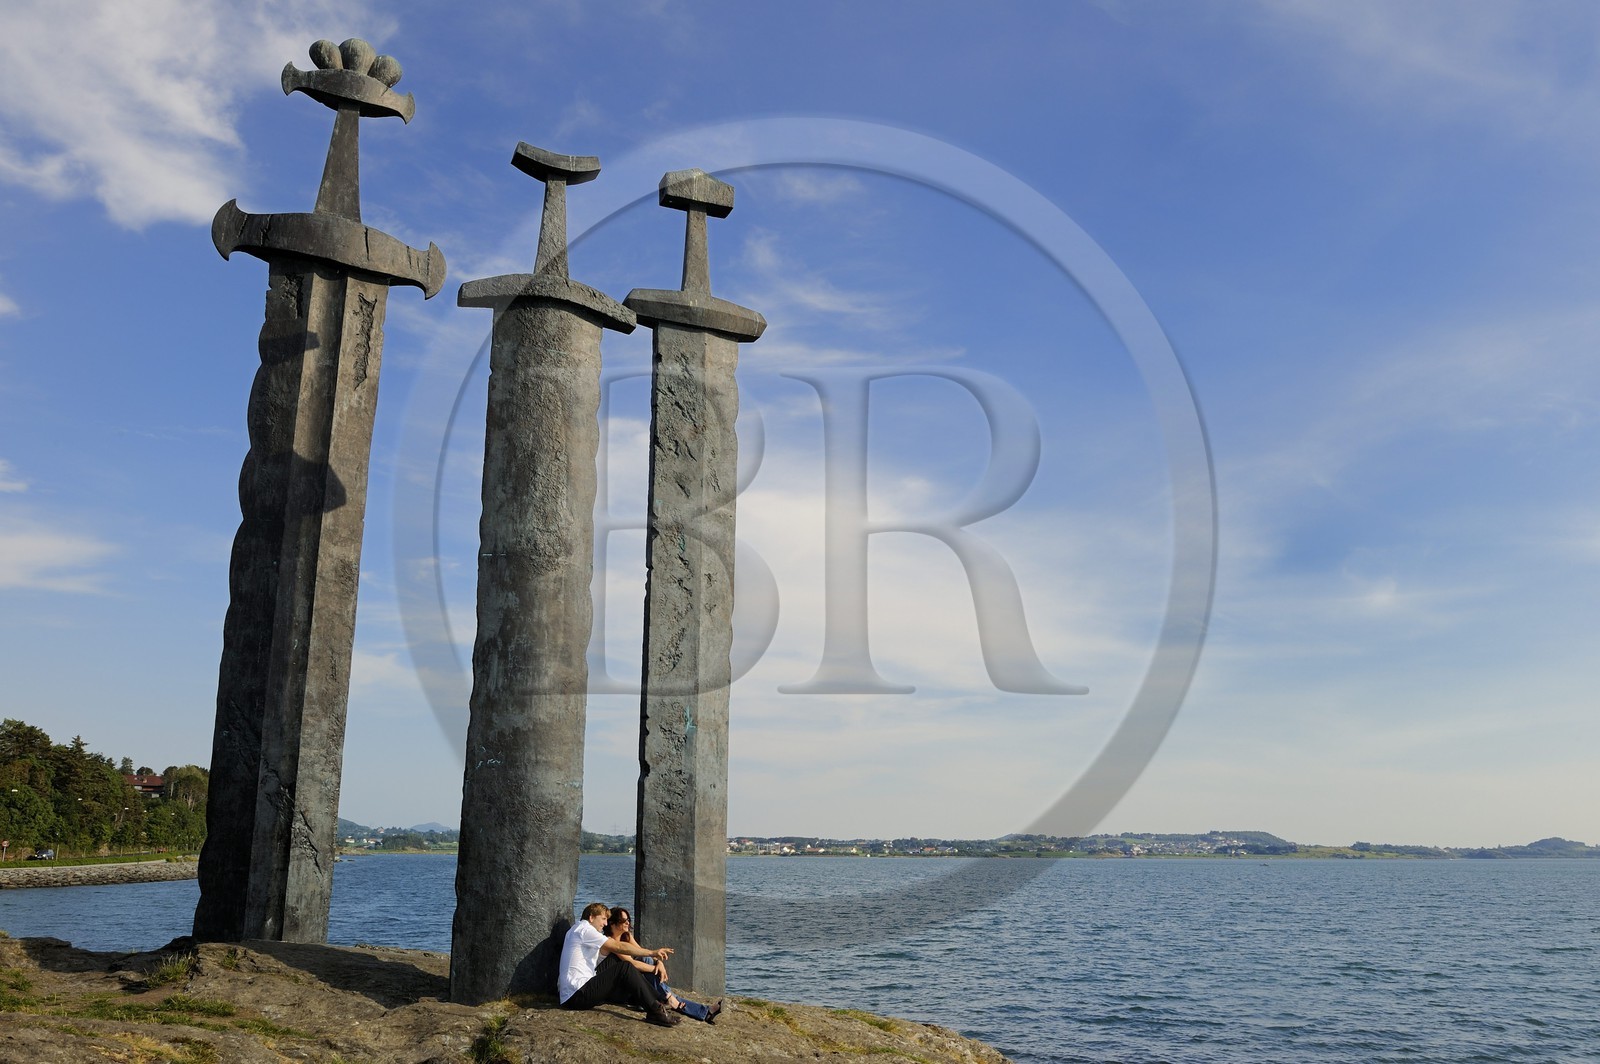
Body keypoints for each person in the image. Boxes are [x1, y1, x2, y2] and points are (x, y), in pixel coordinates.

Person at [557, 901, 681, 1026]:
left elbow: (603, 955)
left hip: (579, 988)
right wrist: (651, 953)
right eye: (603, 919)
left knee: (615, 959)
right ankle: (655, 1010)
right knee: (625, 967)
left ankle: (656, 1000)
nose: (605, 923)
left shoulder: (577, 929)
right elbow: (617, 946)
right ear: (591, 917)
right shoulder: (585, 930)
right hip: (576, 995)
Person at [605, 906, 722, 1024]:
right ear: (612, 923)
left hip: (635, 987)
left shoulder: (627, 936)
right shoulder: (610, 942)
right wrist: (656, 969)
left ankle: (701, 1010)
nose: (627, 923)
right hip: (620, 989)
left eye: (628, 919)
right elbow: (633, 964)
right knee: (654, 977)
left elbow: (643, 951)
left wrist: (659, 963)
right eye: (623, 920)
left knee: (648, 964)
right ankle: (675, 1001)